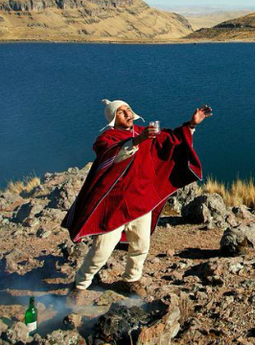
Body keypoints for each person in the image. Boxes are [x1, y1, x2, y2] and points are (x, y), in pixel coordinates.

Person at [62, 99, 212, 303]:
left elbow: (171, 139)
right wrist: (137, 141)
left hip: (140, 201)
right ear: (114, 118)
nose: (128, 114)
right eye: (122, 112)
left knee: (141, 244)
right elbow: (110, 155)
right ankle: (80, 285)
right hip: (113, 204)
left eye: (129, 110)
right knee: (102, 250)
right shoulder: (107, 138)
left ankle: (131, 279)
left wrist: (192, 124)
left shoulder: (143, 131)